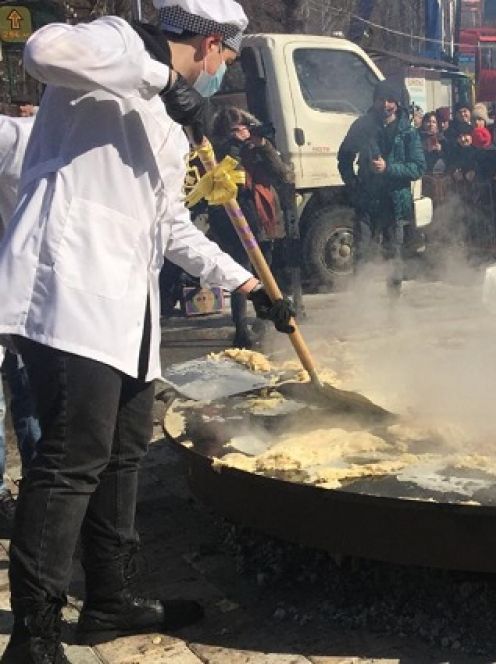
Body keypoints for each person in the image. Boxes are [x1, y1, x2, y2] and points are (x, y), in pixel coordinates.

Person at [0, 0, 298, 659]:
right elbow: (43, 50)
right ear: (211, 44)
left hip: (125, 315)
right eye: (222, 59)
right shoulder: (113, 45)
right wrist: (165, 80)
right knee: (72, 460)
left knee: (125, 452)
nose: (219, 73)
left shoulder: (169, 124)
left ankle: (110, 600)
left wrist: (248, 285)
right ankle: (35, 634)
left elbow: (171, 228)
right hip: (67, 292)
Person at [208, 107, 294, 348]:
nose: (243, 132)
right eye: (237, 129)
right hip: (235, 219)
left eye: (244, 127)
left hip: (264, 217)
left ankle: (264, 322)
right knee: (241, 272)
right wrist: (235, 146)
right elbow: (223, 174)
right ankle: (240, 328)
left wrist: (263, 145)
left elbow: (281, 173)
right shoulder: (220, 150)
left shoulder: (258, 148)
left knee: (265, 270)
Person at [337, 78, 425, 296]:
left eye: (390, 100)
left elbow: (418, 167)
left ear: (397, 103)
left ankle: (393, 304)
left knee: (393, 252)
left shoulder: (408, 131)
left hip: (395, 201)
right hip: (367, 199)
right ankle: (360, 301)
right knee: (362, 249)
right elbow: (344, 157)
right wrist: (353, 185)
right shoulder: (362, 125)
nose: (385, 105)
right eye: (380, 100)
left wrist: (389, 168)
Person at [0, 114, 41, 521]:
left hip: (35, 293)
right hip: (13, 284)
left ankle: (37, 488)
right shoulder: (16, 135)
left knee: (33, 394)